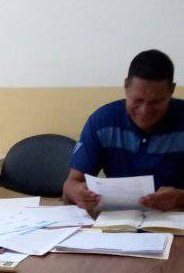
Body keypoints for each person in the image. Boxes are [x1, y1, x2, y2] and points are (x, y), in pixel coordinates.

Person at [63, 49, 184, 213]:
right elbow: (70, 184)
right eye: (138, 100)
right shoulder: (102, 122)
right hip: (118, 222)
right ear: (126, 86)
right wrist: (78, 193)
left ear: (171, 90)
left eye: (156, 102)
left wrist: (179, 198)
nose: (145, 111)